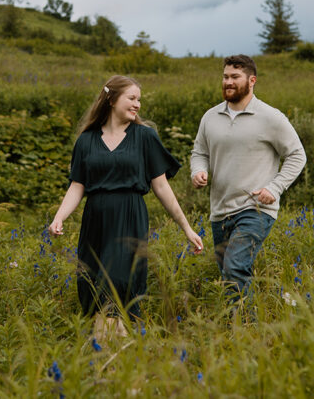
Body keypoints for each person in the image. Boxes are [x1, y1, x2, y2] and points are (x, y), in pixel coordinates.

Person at [49, 75, 203, 336]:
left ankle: (106, 351)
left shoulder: (144, 137)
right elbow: (77, 186)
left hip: (129, 218)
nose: (137, 104)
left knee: (116, 281)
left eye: (139, 99)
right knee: (92, 282)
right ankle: (120, 350)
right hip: (95, 222)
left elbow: (162, 187)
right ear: (111, 99)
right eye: (131, 98)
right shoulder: (86, 141)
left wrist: (186, 228)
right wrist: (59, 217)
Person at [190, 54, 306, 304]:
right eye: (225, 77)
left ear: (251, 80)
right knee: (229, 273)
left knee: (234, 268)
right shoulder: (210, 117)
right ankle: (260, 315)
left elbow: (297, 155)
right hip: (220, 211)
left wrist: (275, 187)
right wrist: (197, 171)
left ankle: (245, 325)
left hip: (255, 208)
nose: (228, 82)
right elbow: (200, 153)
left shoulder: (270, 117)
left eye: (235, 77)